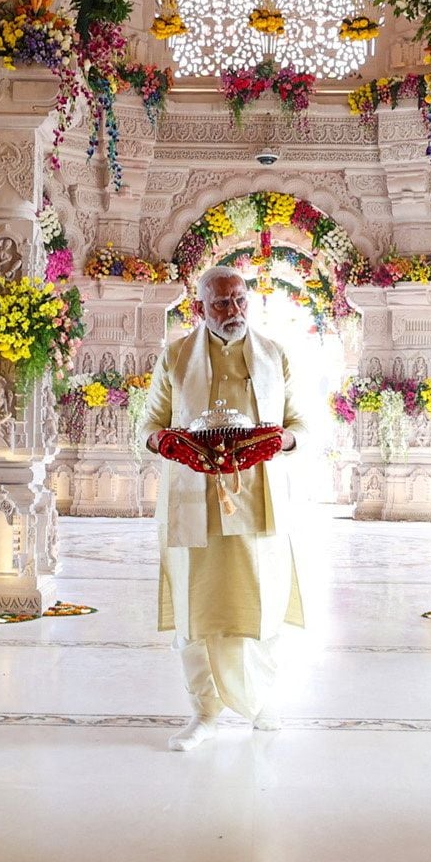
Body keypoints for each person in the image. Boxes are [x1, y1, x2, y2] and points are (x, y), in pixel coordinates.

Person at [136, 266, 310, 751]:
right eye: (220, 304)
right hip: (194, 499)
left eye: (239, 301)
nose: (232, 311)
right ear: (200, 307)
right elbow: (147, 423)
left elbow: (303, 423)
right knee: (196, 607)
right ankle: (204, 712)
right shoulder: (175, 356)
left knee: (263, 600)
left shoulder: (275, 355)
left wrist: (283, 439)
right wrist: (163, 442)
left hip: (258, 498)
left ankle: (262, 699)